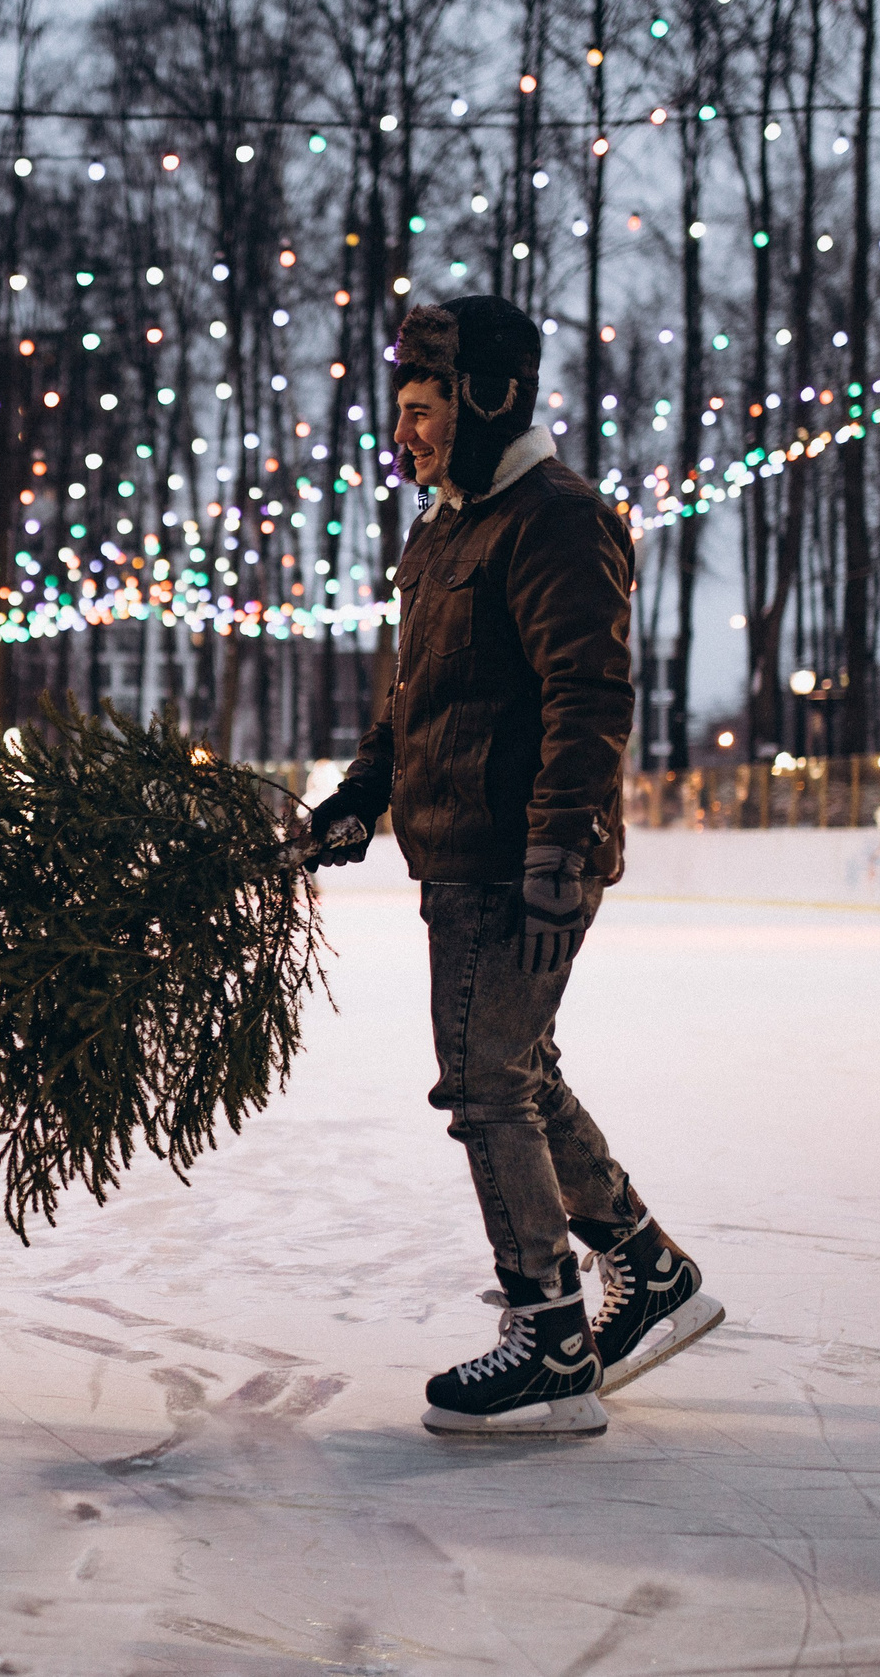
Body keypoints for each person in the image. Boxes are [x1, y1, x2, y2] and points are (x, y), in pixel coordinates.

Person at [305, 297, 721, 1439]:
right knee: (515, 1074)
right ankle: (649, 1269)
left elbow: (589, 700)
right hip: (458, 853)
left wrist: (553, 852)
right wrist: (360, 792)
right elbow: (418, 701)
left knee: (486, 1085)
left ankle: (548, 1335)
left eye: (425, 407)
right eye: (399, 409)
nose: (408, 434)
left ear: (489, 398)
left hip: (523, 856)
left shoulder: (558, 521)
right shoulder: (444, 531)